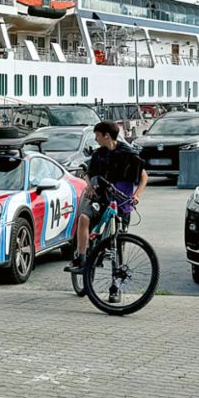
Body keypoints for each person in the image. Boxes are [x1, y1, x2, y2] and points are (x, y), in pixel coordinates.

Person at [65, 121, 148, 303]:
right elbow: (89, 172)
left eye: (97, 135)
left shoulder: (128, 154)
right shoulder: (99, 154)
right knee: (84, 218)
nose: (95, 138)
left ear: (106, 136)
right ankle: (81, 257)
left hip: (121, 203)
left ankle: (115, 288)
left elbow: (144, 177)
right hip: (101, 199)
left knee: (118, 247)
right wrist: (89, 185)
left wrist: (137, 195)